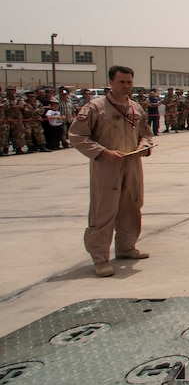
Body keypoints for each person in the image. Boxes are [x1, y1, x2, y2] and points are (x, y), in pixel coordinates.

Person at [69, 65, 155, 277]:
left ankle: (126, 247)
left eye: (129, 82)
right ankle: (100, 258)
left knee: (132, 205)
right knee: (104, 210)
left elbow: (146, 134)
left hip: (132, 163)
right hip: (106, 165)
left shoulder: (136, 108)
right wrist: (102, 152)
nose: (126, 86)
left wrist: (144, 146)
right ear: (111, 82)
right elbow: (77, 136)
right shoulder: (95, 108)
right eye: (121, 82)